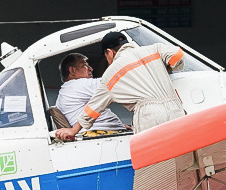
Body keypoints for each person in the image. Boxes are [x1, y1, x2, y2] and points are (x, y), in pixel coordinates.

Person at [55, 32, 185, 142]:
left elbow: (94, 107)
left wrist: (74, 129)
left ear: (109, 53)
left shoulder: (112, 72)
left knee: (155, 164)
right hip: (175, 109)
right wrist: (166, 68)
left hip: (149, 116)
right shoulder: (153, 49)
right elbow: (178, 55)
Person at [54, 52, 128, 132]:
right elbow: (113, 81)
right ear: (73, 70)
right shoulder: (77, 85)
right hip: (101, 133)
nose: (91, 69)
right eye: (85, 65)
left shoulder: (66, 90)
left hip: (103, 131)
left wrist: (119, 125)